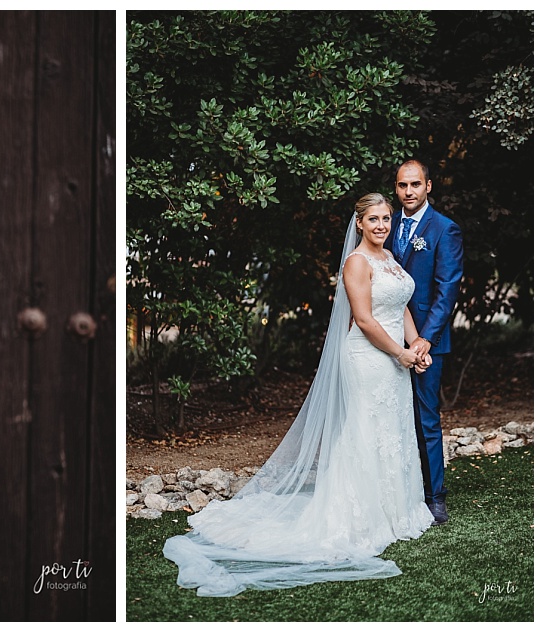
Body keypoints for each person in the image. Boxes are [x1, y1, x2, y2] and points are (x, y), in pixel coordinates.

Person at [162, 193, 435, 597]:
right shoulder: (356, 263)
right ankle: (359, 518)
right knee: (365, 429)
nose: (381, 225)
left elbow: (402, 307)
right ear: (359, 223)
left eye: (386, 219)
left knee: (392, 429)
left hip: (395, 358)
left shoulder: (391, 259)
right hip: (369, 357)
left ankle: (397, 511)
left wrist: (418, 345)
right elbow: (364, 319)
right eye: (374, 219)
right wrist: (402, 355)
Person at [389, 159, 463, 525]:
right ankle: (396, 492)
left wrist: (423, 342)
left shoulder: (444, 230)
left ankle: (435, 497)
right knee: (389, 418)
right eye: (403, 186)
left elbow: (446, 292)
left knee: (426, 421)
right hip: (385, 339)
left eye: (415, 184)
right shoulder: (386, 225)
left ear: (428, 186)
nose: (409, 192)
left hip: (427, 345)